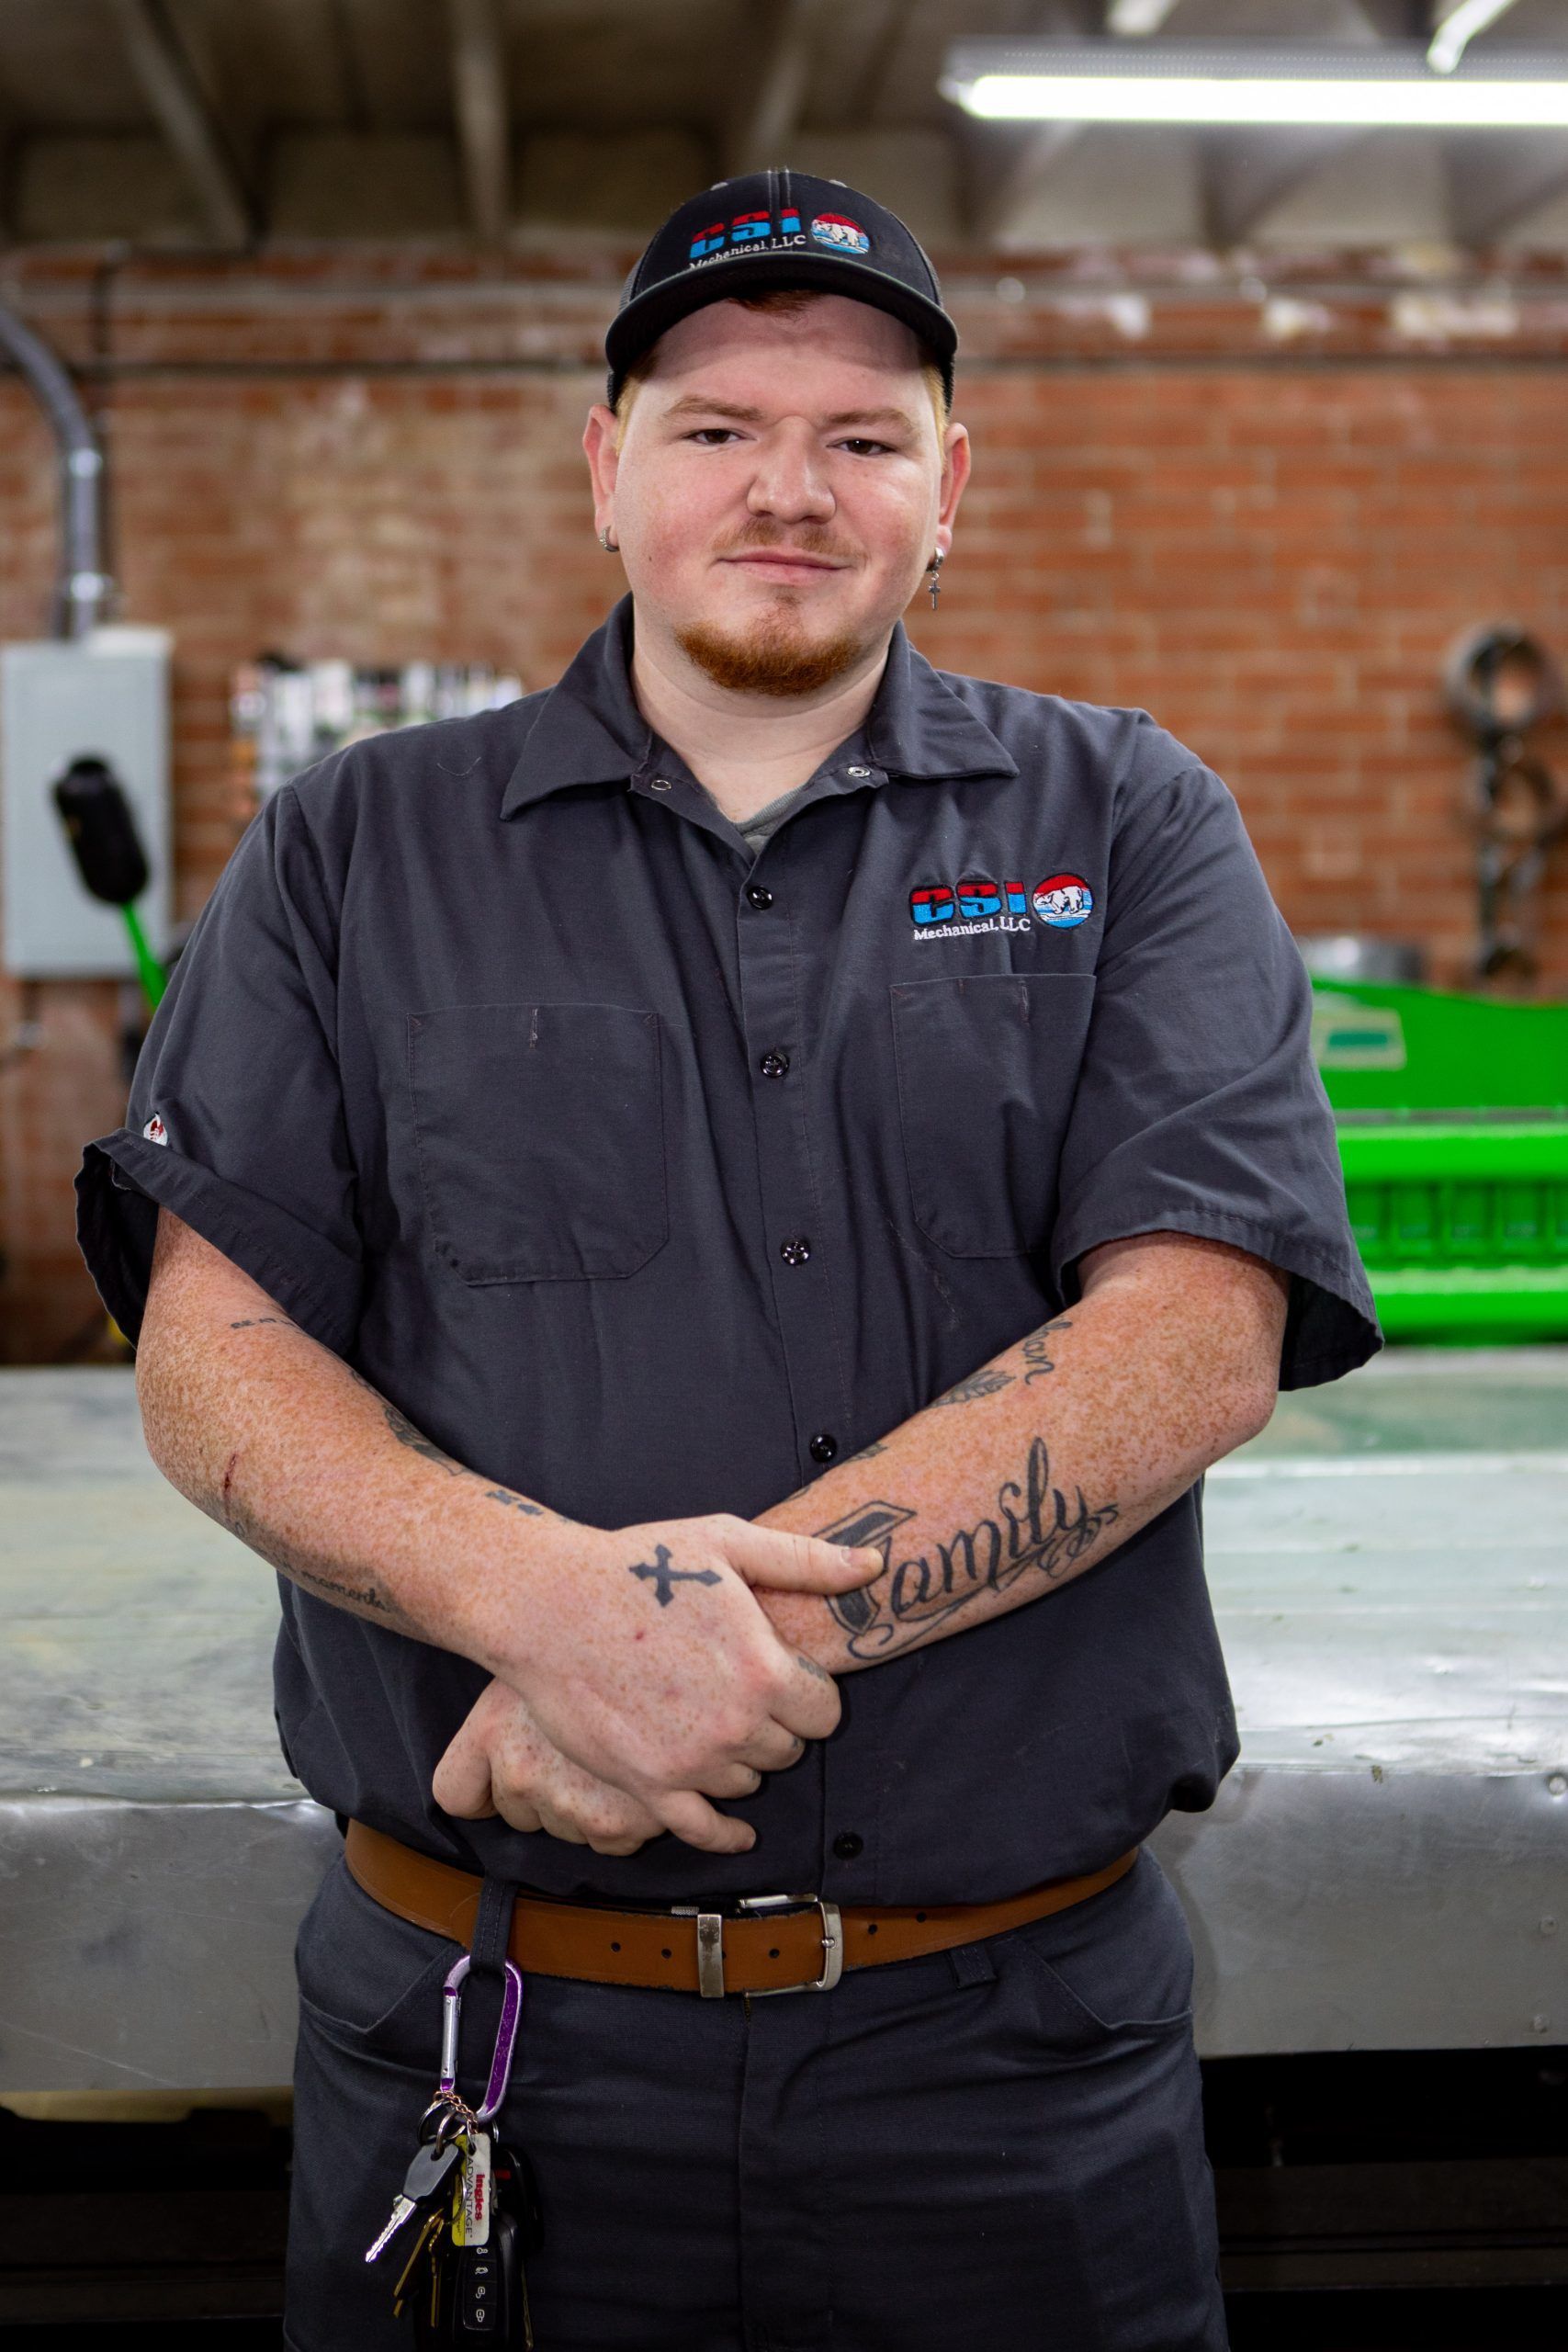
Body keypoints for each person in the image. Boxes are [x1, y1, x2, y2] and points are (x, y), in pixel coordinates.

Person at [76, 169, 1379, 2351]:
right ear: (606, 469)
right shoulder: (347, 847)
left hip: (1003, 2059)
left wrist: (660, 1648)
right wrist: (551, 1611)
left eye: (863, 437)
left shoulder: (1128, 818)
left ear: (946, 488)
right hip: (485, 2039)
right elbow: (218, 1357)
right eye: (712, 427)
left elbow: (1187, 1330)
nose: (789, 487)